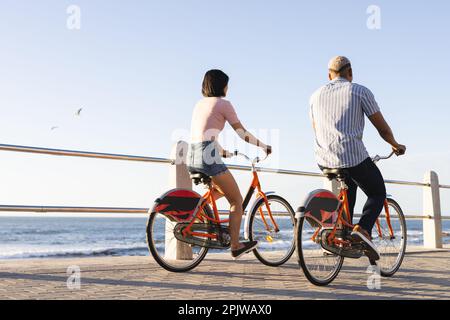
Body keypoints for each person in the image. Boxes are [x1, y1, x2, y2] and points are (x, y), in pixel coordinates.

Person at [309, 56, 406, 261]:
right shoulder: (359, 91)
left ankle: (342, 236)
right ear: (350, 72)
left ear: (329, 75)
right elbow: (382, 128)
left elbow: (316, 129)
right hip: (351, 156)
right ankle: (362, 230)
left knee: (349, 186)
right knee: (377, 191)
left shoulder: (315, 95)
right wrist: (395, 145)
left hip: (323, 158)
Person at [187, 69, 272, 259]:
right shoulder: (224, 104)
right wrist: (263, 146)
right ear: (222, 86)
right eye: (227, 84)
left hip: (191, 155)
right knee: (236, 201)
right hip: (207, 155)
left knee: (219, 192)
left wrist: (222, 151)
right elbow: (242, 133)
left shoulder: (200, 104)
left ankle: (198, 213)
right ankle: (235, 245)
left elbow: (205, 133)